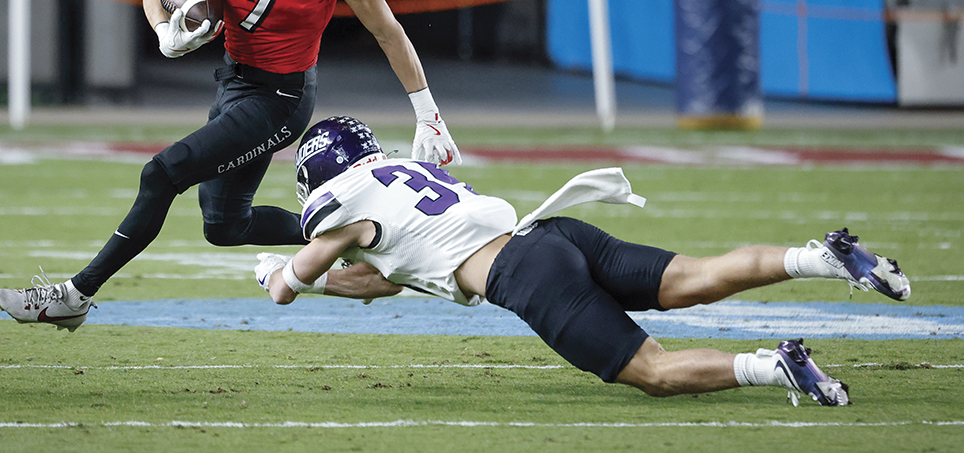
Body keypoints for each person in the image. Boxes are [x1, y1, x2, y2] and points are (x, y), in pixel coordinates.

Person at [0, 0, 460, 332]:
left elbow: (386, 28)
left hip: (282, 96)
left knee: (161, 174)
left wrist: (426, 110)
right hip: (235, 81)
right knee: (223, 226)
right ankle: (363, 239)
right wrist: (163, 33)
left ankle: (73, 295)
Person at [253, 116, 912, 407]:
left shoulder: (346, 202)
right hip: (553, 231)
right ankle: (820, 256)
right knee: (695, 276)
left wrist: (277, 275)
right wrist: (320, 284)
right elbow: (381, 279)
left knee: (652, 372)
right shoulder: (404, 173)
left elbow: (299, 276)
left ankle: (775, 366)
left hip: (526, 274)